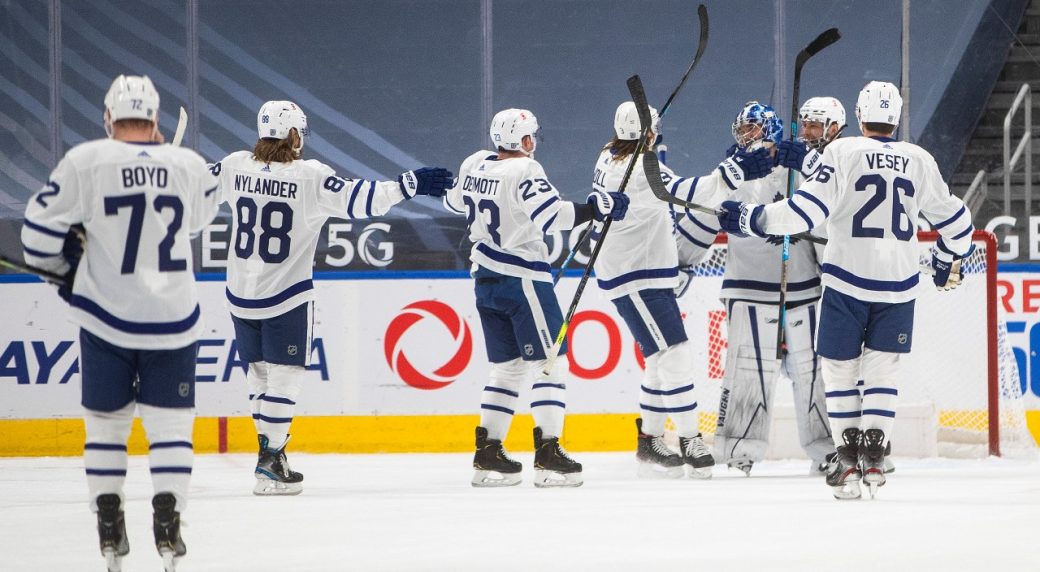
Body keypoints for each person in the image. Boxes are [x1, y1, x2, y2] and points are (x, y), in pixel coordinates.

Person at [716, 81, 975, 499]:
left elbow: (803, 212)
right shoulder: (919, 159)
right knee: (883, 371)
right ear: (897, 117)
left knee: (839, 370)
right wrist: (947, 257)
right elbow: (959, 224)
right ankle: (875, 451)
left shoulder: (842, 153)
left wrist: (752, 218)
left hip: (846, 282)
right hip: (898, 287)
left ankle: (848, 459)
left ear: (857, 115)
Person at [21, 74, 221, 571]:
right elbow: (199, 220)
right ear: (155, 118)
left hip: (105, 318)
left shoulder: (85, 160)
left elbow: (36, 237)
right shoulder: (189, 165)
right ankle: (169, 517)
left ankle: (108, 521)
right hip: (173, 320)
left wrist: (67, 275)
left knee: (106, 425)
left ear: (108, 117)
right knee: (171, 426)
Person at [209, 101, 453, 495]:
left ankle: (269, 454)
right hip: (286, 295)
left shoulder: (234, 165)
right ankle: (271, 458)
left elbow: (194, 191)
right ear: (294, 134)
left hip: (240, 294)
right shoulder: (310, 176)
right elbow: (362, 199)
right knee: (285, 378)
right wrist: (408, 185)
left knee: (259, 375)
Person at [444, 108, 629, 488]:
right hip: (522, 278)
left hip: (485, 281)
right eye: (532, 136)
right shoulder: (525, 169)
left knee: (507, 368)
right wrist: (597, 207)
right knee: (550, 364)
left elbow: (453, 202)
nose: (534, 143)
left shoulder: (475, 162)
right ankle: (548, 454)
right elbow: (552, 217)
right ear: (525, 140)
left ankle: (488, 454)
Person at [593, 101, 771, 479]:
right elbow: (692, 192)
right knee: (675, 354)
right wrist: (735, 170)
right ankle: (690, 439)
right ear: (649, 132)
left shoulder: (609, 155)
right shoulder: (641, 168)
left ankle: (650, 440)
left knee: (659, 358)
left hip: (641, 272)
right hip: (637, 277)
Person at [677, 99, 841, 477]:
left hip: (804, 289)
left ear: (772, 131)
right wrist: (681, 259)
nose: (746, 135)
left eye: (753, 128)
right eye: (742, 129)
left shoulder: (799, 170)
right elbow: (704, 216)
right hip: (748, 288)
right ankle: (739, 452)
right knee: (748, 374)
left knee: (814, 373)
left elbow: (829, 219)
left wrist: (830, 265)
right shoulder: (732, 172)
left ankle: (828, 449)